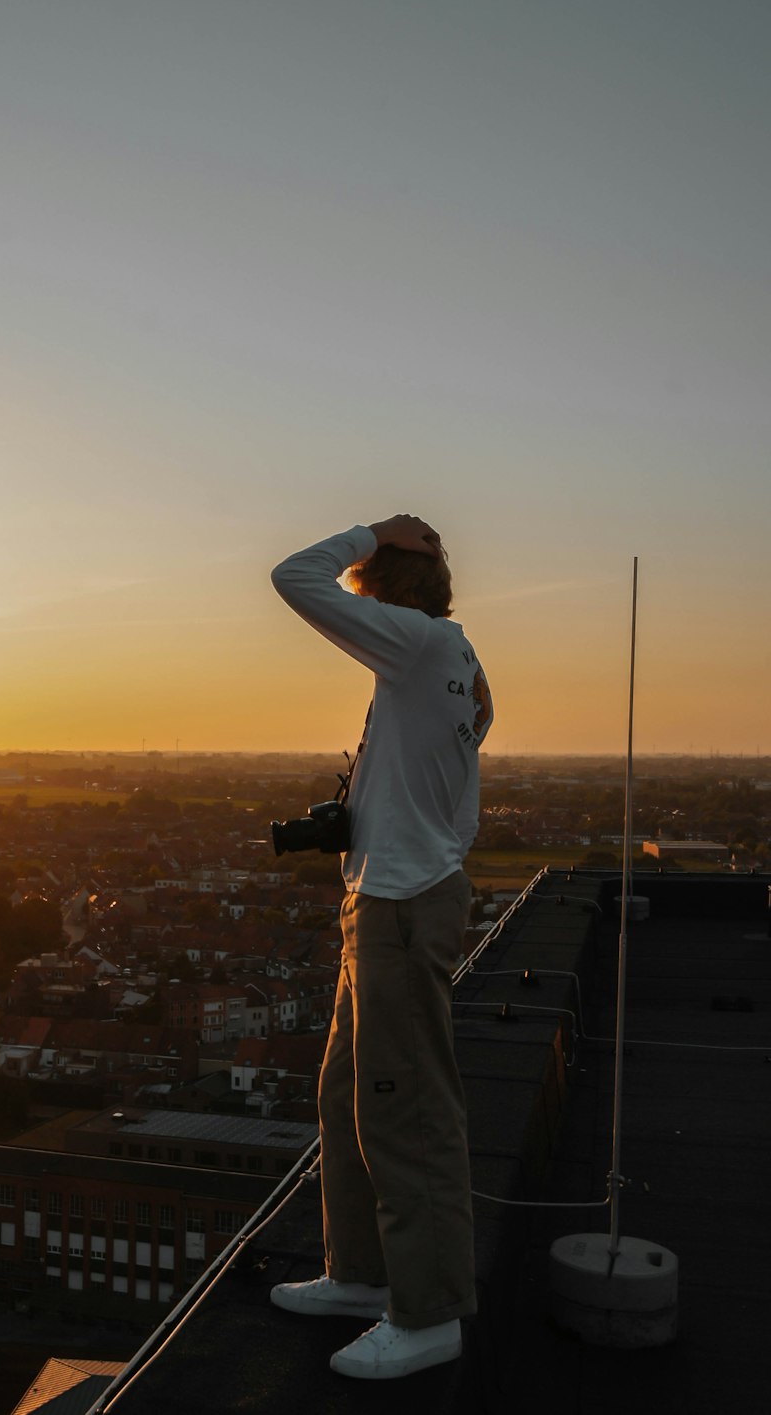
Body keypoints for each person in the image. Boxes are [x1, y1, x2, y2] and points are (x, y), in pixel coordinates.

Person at [267, 514, 493, 1380]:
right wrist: (429, 843)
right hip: (391, 895)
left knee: (408, 1109)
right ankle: (360, 1274)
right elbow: (469, 775)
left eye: (365, 576)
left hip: (398, 905)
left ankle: (429, 1313)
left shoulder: (414, 644)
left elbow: (294, 577)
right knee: (346, 1096)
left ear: (381, 584)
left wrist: (363, 532)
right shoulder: (455, 657)